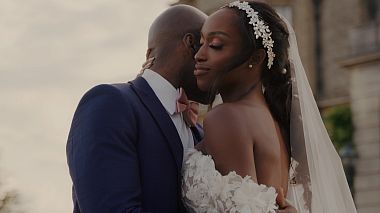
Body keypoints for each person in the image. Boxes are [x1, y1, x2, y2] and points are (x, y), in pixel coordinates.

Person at [181, 1, 357, 213]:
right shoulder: (273, 122)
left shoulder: (227, 117)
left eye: (216, 44)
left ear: (256, 58)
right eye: (201, 43)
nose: (199, 55)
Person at [66, 5, 209, 212]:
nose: (219, 66)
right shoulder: (111, 104)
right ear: (191, 44)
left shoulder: (200, 133)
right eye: (212, 47)